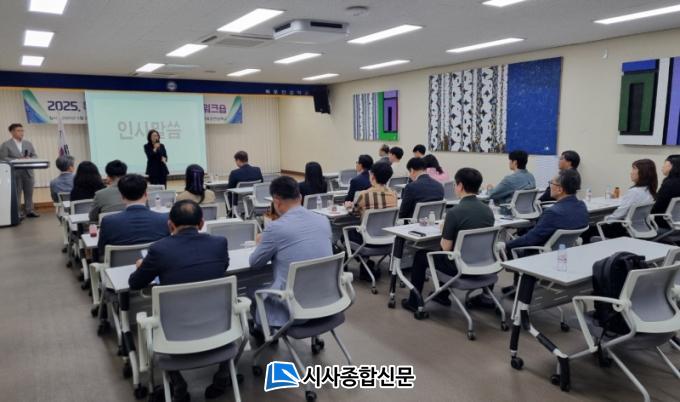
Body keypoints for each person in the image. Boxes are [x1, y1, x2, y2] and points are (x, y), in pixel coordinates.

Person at [129, 200, 231, 401]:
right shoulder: (220, 243)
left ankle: (177, 382)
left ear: (170, 225)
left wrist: (142, 266)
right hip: (220, 326)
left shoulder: (159, 249)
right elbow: (222, 267)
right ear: (201, 223)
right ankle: (223, 376)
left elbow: (135, 283)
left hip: (175, 332)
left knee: (154, 319)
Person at [402, 168, 494, 312]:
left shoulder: (454, 213)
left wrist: (446, 229)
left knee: (421, 255)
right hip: (483, 264)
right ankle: (442, 295)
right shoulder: (488, 211)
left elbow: (445, 248)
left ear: (460, 186)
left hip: (460, 267)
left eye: (456, 184)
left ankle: (414, 302)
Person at [249, 176, 333, 330]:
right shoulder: (323, 220)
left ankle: (266, 334)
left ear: (276, 201)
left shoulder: (275, 228)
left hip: (292, 308)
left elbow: (255, 263)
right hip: (327, 301)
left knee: (251, 291)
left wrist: (262, 242)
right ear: (300, 197)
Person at [509, 170, 590, 309]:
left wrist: (507, 244)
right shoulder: (582, 207)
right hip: (565, 255)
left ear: (560, 189)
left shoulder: (553, 212)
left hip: (545, 257)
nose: (550, 186)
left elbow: (530, 240)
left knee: (507, 249)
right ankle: (518, 289)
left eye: (551, 183)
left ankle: (520, 301)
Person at [97, 174, 169, 258]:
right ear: (146, 194)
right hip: (156, 264)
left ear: (122, 196)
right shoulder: (164, 219)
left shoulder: (108, 222)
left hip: (121, 265)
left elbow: (101, 250)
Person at [347, 162, 397, 281]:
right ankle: (366, 265)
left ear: (372, 176)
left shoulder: (364, 195)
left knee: (345, 236)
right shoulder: (393, 194)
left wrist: (349, 206)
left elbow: (354, 213)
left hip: (367, 240)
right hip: (388, 240)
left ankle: (345, 270)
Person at [585, 159, 657, 241]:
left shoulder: (634, 191)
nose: (631, 172)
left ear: (643, 173)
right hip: (638, 228)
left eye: (634, 169)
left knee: (587, 230)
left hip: (622, 229)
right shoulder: (649, 190)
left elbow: (619, 214)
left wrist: (604, 220)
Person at [0, 123, 39, 218]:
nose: (21, 133)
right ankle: (17, 212)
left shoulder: (28, 143)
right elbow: (3, 158)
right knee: (17, 194)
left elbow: (35, 155)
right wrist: (17, 160)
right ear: (12, 132)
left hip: (28, 172)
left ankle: (29, 210)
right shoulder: (6, 144)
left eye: (22, 130)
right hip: (15, 172)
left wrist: (30, 158)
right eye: (18, 131)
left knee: (29, 193)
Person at [652, 155, 680, 229]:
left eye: (664, 164)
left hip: (662, 222)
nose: (662, 167)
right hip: (675, 222)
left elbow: (658, 206)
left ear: (671, 166)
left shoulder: (669, 184)